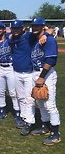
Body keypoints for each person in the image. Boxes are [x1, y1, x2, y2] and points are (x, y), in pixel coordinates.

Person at [30, 17, 61, 145]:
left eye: (38, 26)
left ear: (43, 26)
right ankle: (45, 126)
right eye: (34, 26)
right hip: (35, 72)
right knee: (40, 103)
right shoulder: (34, 39)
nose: (35, 28)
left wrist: (42, 77)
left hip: (46, 74)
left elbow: (51, 60)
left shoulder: (49, 40)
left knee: (50, 105)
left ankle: (56, 133)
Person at [0, 22, 22, 126]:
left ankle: (17, 111)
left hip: (10, 67)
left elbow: (16, 35)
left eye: (0, 28)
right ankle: (2, 109)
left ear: (4, 29)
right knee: (0, 91)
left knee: (13, 92)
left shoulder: (10, 39)